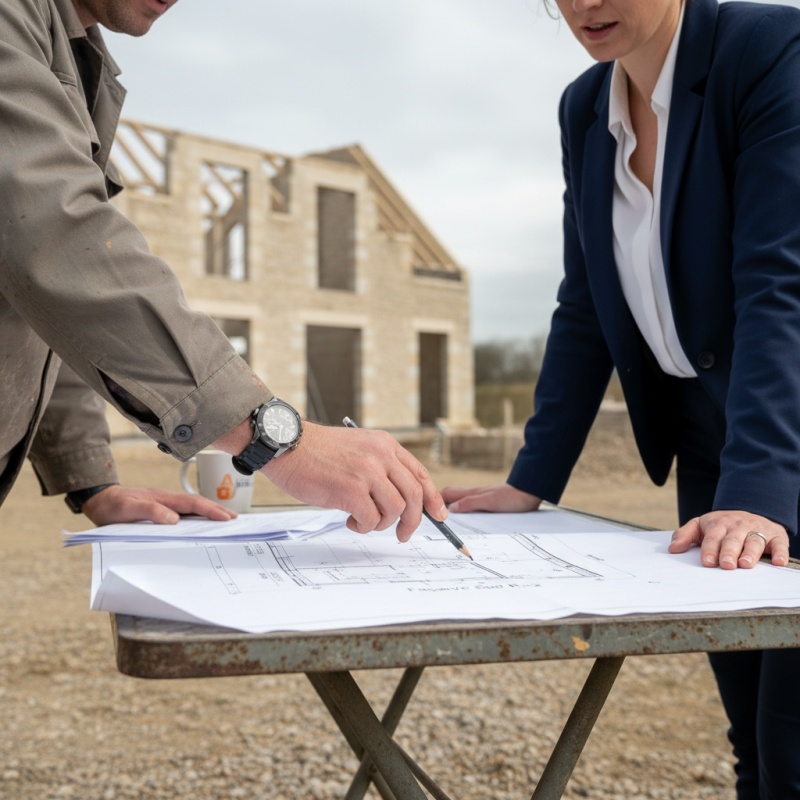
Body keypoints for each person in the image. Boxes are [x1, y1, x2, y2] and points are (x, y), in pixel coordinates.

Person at [443, 0, 800, 796]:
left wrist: (756, 494)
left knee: (792, 745)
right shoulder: (583, 106)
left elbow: (780, 283)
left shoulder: (768, 49)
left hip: (780, 444)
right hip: (713, 451)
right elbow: (585, 303)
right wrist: (532, 479)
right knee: (749, 734)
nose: (584, 4)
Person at [0, 0, 448, 542]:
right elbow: (52, 236)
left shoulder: (76, 59)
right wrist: (279, 438)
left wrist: (90, 478)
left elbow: (50, 308)